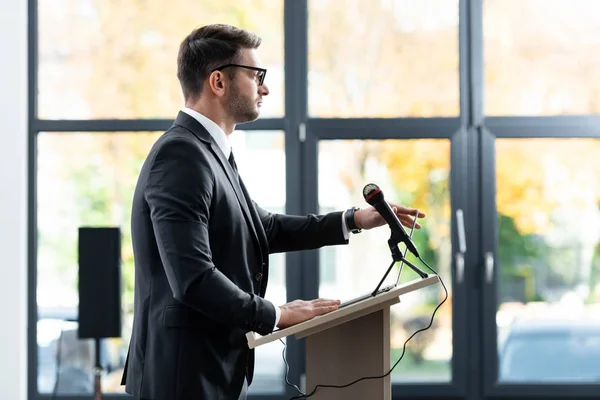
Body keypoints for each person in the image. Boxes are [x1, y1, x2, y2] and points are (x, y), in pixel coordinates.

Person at [120, 24, 425, 400]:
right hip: (185, 375)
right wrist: (276, 314)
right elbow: (193, 278)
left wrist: (355, 219)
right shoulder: (181, 155)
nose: (264, 87)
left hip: (209, 370)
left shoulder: (211, 153)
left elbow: (262, 227)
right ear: (218, 81)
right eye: (256, 75)